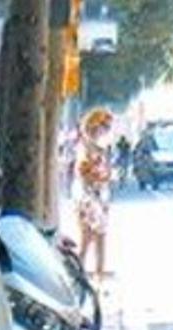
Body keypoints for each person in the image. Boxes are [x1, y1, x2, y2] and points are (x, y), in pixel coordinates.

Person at [74, 108, 115, 284]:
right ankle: (79, 275)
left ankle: (99, 275)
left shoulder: (100, 148)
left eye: (106, 127)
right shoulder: (84, 147)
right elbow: (83, 171)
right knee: (87, 237)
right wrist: (101, 176)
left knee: (100, 237)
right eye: (102, 127)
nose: (105, 131)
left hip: (99, 197)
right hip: (87, 197)